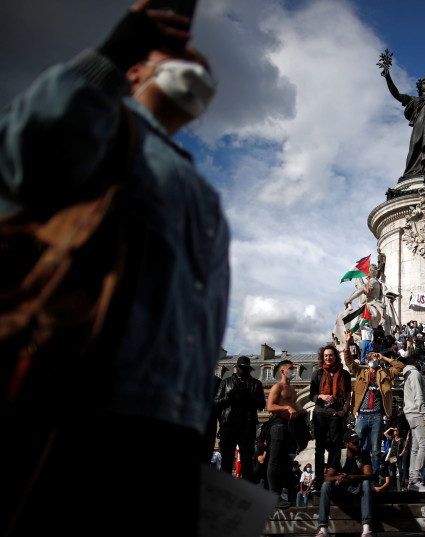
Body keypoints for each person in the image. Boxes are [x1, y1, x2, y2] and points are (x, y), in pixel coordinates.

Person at [0, 3, 228, 535]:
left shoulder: (201, 190)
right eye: (176, 53)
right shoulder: (105, 136)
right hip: (85, 410)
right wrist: (108, 56)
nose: (196, 60)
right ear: (135, 72)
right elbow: (24, 152)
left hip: (173, 429)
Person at [344, 329, 404, 475]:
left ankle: (374, 476)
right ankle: (354, 472)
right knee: (355, 445)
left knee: (376, 449)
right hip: (362, 415)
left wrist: (384, 358)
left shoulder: (384, 372)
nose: (373, 360)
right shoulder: (361, 372)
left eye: (374, 357)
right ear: (366, 360)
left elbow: (399, 367)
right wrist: (347, 343)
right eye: (370, 358)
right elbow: (349, 361)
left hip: (377, 415)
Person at [215, 357, 266, 481]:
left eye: (246, 368)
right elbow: (216, 403)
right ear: (237, 368)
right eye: (241, 367)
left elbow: (261, 404)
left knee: (247, 458)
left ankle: (246, 487)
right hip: (229, 423)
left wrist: (250, 396)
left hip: (247, 424)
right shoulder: (226, 382)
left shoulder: (255, 384)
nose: (243, 370)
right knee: (226, 458)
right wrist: (229, 397)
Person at [315, 430, 374, 537]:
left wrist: (351, 477)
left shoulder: (364, 454)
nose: (357, 444)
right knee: (325, 485)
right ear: (346, 444)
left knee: (366, 483)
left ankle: (366, 528)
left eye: (357, 442)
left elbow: (369, 475)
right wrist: (339, 477)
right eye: (354, 442)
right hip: (341, 489)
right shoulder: (339, 455)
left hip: (356, 489)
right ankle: (323, 528)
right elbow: (327, 478)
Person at [266, 360, 307, 507]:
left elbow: (293, 405)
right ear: (282, 371)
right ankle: (273, 494)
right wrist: (287, 408)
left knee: (284, 461)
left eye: (294, 368)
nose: (293, 371)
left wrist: (299, 409)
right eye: (290, 368)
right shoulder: (278, 387)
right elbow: (270, 406)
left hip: (289, 426)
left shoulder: (292, 389)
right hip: (278, 423)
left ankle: (283, 492)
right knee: (275, 460)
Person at [309, 345, 351, 485]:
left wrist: (344, 411)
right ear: (323, 357)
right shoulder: (318, 373)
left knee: (335, 446)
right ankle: (319, 478)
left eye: (331, 355)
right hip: (320, 413)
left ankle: (332, 475)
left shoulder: (344, 374)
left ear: (335, 356)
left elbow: (348, 395)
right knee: (319, 447)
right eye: (326, 355)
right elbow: (312, 395)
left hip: (335, 414)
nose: (328, 358)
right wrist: (322, 396)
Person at [401, 354, 425, 492]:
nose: (422, 364)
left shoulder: (408, 374)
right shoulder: (414, 374)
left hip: (411, 413)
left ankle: (413, 481)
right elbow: (419, 396)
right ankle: (415, 479)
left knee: (415, 447)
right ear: (416, 362)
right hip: (417, 413)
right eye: (421, 361)